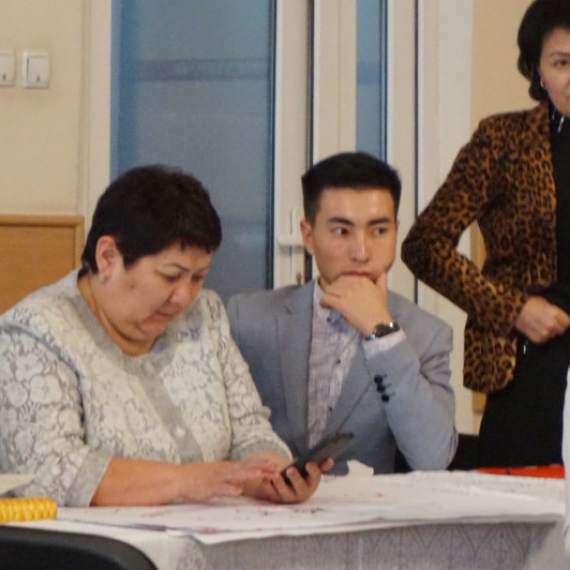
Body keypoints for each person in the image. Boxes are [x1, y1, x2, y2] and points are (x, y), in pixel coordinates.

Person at [0, 165, 330, 507]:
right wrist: (185, 480)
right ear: (108, 257)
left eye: (198, 277)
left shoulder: (204, 315)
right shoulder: (35, 333)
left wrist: (272, 475)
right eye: (171, 276)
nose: (184, 297)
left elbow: (249, 429)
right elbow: (48, 471)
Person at [401, 0, 570, 467]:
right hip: (531, 362)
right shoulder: (503, 141)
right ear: (537, 70)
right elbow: (424, 245)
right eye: (561, 63)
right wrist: (512, 309)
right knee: (520, 501)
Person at [227, 152, 457, 474]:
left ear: (396, 231)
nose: (361, 252)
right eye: (341, 232)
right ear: (308, 236)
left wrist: (382, 333)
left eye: (379, 231)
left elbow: (432, 458)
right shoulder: (247, 319)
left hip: (364, 504)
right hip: (260, 500)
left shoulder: (427, 334)